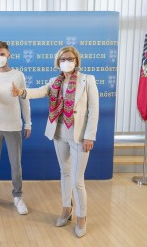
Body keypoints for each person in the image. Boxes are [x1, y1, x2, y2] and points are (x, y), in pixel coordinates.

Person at [11, 46, 99, 237]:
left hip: (79, 136)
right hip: (59, 134)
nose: (66, 62)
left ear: (76, 60)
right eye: (63, 59)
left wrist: (89, 136)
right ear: (58, 62)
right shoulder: (54, 81)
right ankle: (67, 209)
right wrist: (21, 92)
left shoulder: (88, 80)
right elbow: (40, 92)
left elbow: (94, 110)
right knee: (65, 173)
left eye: (70, 58)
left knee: (77, 180)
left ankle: (82, 217)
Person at [0, 41, 32, 215]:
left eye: (2, 54)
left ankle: (18, 196)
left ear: (9, 54)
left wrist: (28, 123)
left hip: (14, 126)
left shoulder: (18, 75)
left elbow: (25, 99)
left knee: (15, 164)